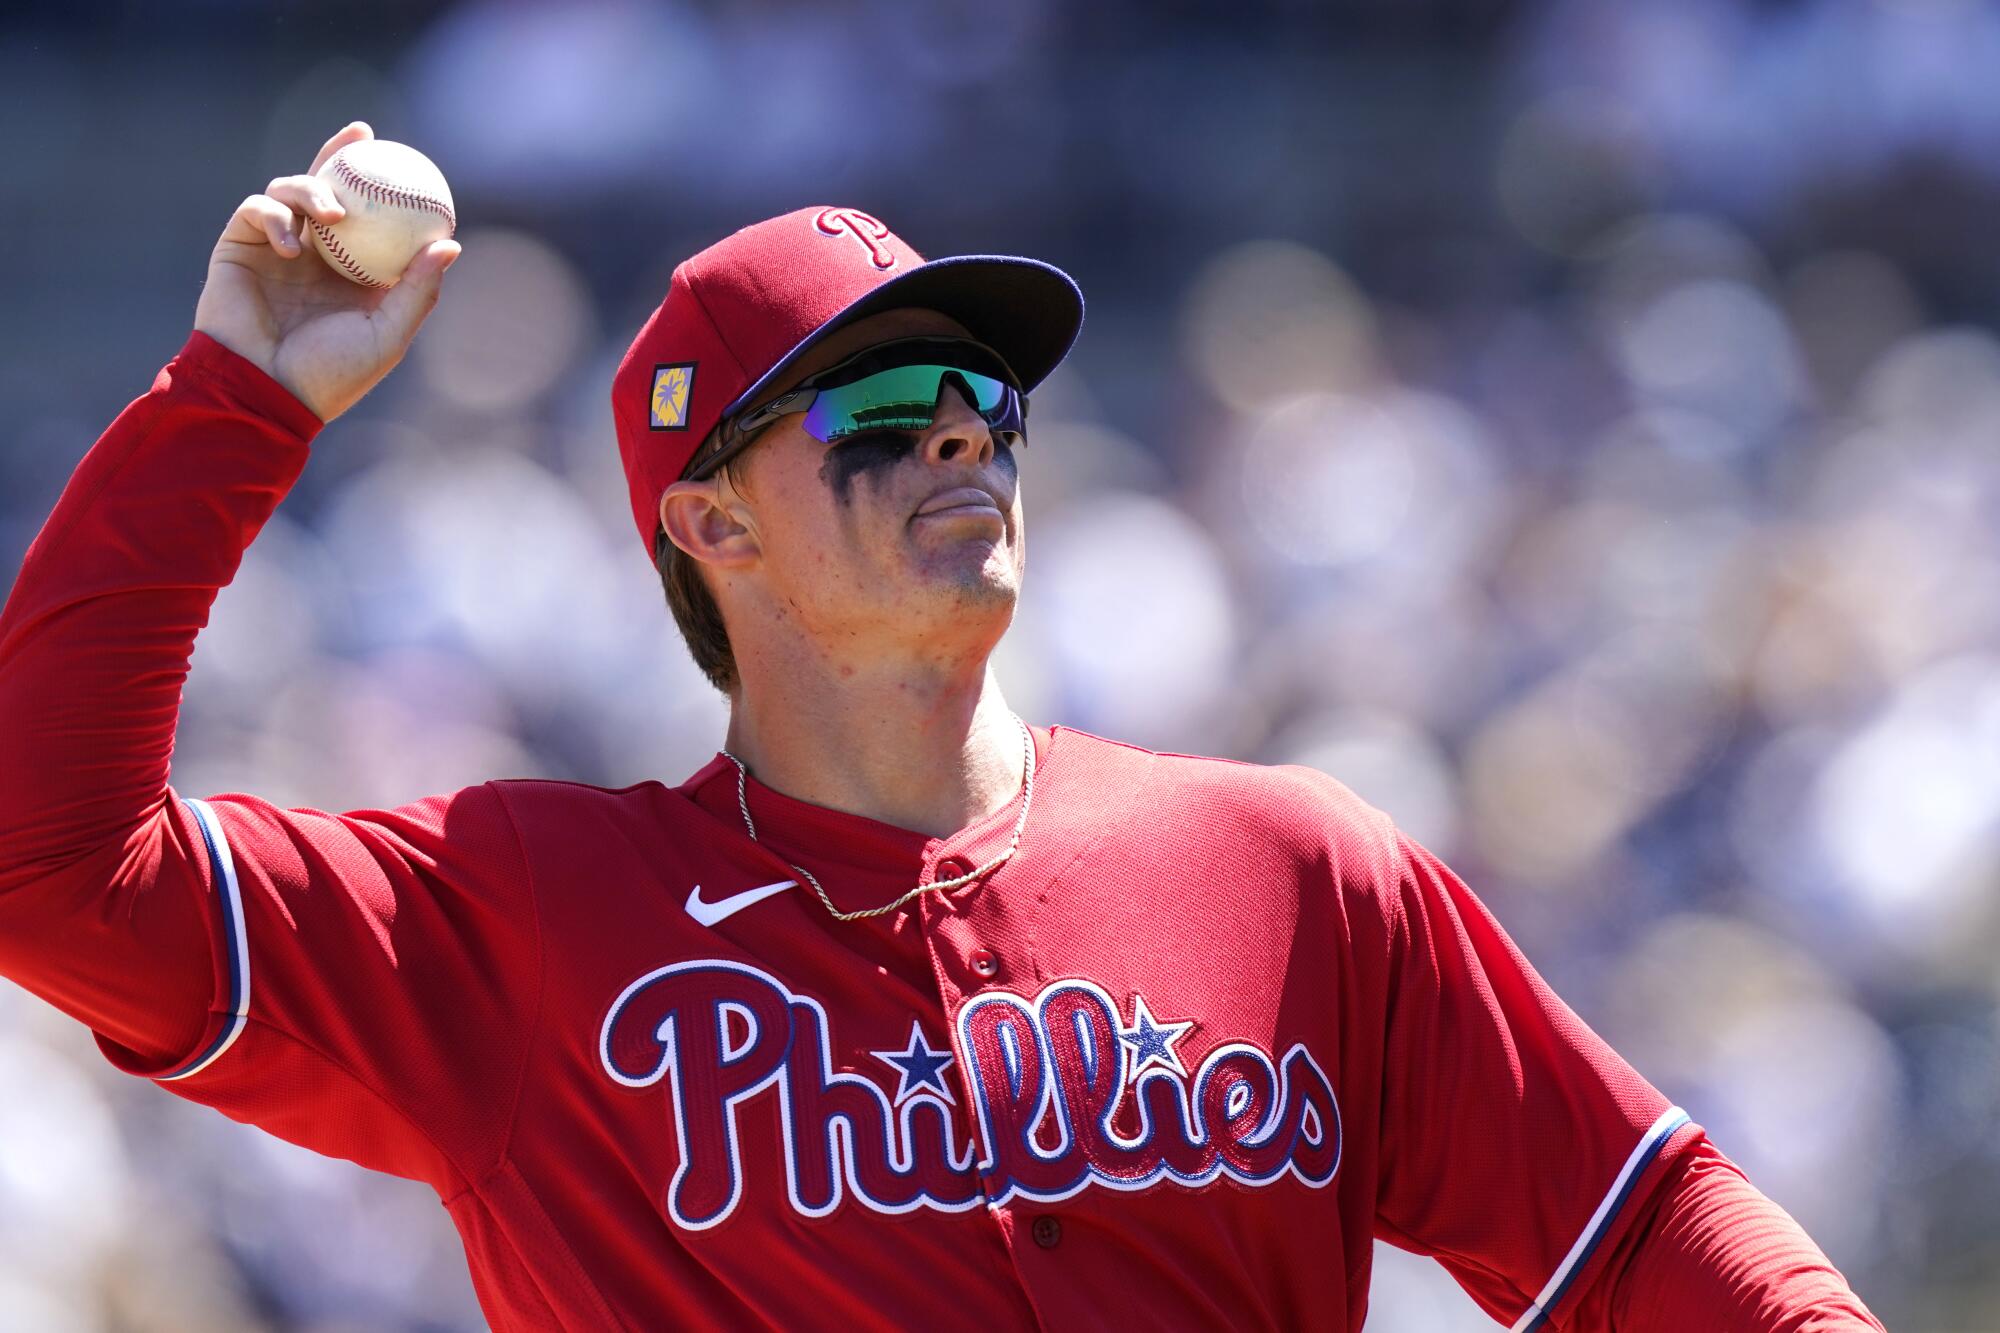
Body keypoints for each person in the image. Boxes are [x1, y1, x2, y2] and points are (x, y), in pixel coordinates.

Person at [0, 121, 1882, 1331]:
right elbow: (43, 860)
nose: (966, 431)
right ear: (712, 524)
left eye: (981, 389)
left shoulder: (1291, 868)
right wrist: (234, 399)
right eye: (882, 402)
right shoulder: (528, 918)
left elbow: (1638, 1233)